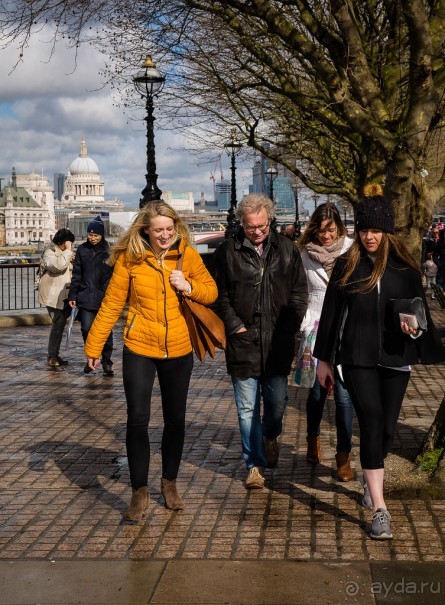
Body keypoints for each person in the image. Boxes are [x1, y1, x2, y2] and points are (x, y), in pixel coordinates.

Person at [314, 184, 445, 540]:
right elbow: (330, 315)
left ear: (387, 230)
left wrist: (413, 328)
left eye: (375, 229)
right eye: (364, 229)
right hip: (355, 358)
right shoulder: (347, 265)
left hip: (395, 359)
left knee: (386, 429)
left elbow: (420, 322)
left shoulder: (404, 269)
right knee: (371, 421)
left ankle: (370, 477)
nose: (369, 236)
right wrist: (323, 359)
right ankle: (380, 507)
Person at [84, 201, 218, 522]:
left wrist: (189, 286)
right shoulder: (130, 260)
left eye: (170, 229)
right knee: (137, 419)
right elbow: (112, 304)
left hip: (178, 349)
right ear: (145, 229)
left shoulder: (187, 255)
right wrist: (94, 345)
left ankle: (169, 483)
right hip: (139, 346)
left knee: (175, 419)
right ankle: (139, 491)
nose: (165, 235)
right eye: (158, 230)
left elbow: (211, 292)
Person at [213, 193, 308, 489]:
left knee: (277, 403)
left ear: (270, 220)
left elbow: (298, 293)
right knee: (247, 409)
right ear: (242, 223)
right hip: (243, 341)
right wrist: (234, 326)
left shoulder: (288, 249)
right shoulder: (227, 251)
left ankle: (270, 436)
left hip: (278, 341)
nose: (257, 232)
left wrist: (289, 328)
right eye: (251, 227)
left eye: (262, 226)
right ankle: (254, 464)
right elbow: (219, 295)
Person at [295, 203, 355, 481]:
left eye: (330, 230)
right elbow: (301, 292)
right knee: (318, 393)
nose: (325, 237)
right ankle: (312, 438)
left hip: (345, 329)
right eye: (320, 231)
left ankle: (344, 455)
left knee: (344, 396)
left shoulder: (352, 250)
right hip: (316, 328)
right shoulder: (305, 254)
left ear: (339, 227)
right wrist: (305, 324)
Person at [68, 216, 114, 375]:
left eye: (96, 235)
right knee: (86, 329)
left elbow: (115, 275)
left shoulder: (109, 251)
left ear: (102, 235)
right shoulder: (82, 250)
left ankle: (107, 363)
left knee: (106, 332)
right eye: (90, 235)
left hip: (104, 298)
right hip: (85, 296)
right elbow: (77, 274)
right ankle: (91, 358)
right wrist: (72, 295)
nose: (93, 238)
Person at [38, 228, 75, 368]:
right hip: (52, 295)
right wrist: (68, 250)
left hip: (64, 294)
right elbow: (58, 266)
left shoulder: (63, 253)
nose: (70, 245)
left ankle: (54, 354)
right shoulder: (49, 252)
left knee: (60, 324)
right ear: (63, 242)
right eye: (69, 242)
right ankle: (52, 355)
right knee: (58, 323)